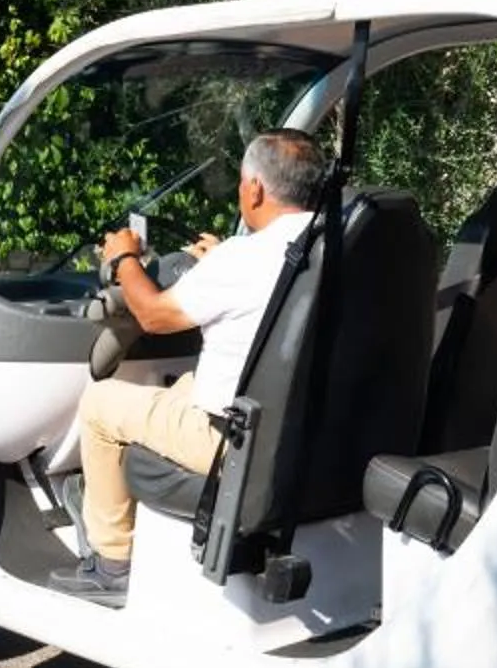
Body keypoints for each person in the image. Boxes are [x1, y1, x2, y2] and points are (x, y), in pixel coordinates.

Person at [47, 127, 329, 602]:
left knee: (99, 403)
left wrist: (124, 262)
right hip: (302, 430)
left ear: (255, 188)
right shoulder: (325, 246)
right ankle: (99, 493)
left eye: (242, 182)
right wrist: (219, 261)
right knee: (184, 385)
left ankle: (111, 561)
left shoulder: (245, 258)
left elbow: (154, 316)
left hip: (233, 440)